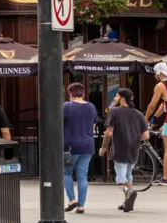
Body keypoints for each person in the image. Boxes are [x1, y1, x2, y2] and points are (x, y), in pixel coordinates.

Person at [100, 88, 149, 212]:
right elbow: (146, 136)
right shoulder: (138, 114)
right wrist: (134, 138)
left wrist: (103, 147)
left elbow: (109, 132)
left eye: (117, 95)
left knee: (120, 180)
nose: (115, 98)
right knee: (128, 176)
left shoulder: (114, 112)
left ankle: (129, 191)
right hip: (133, 149)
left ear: (122, 98)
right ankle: (127, 202)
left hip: (120, 149)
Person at [62, 82, 98, 214]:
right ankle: (81, 205)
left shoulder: (67, 106)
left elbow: (58, 123)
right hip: (88, 145)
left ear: (70, 93)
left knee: (66, 173)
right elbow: (93, 126)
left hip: (70, 146)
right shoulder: (91, 107)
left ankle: (72, 200)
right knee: (82, 175)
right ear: (83, 93)